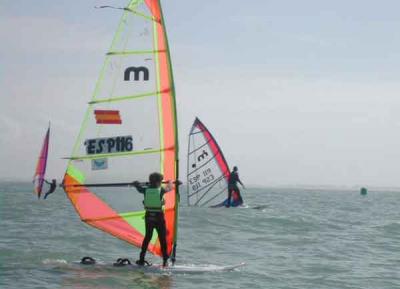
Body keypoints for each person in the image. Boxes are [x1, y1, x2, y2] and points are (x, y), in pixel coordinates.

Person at [132, 173, 173, 267]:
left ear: (150, 181)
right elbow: (169, 188)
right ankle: (165, 261)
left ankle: (141, 259)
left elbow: (139, 188)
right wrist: (171, 182)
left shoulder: (145, 190)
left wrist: (136, 184)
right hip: (159, 218)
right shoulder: (161, 190)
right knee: (162, 239)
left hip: (149, 217)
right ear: (159, 182)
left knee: (147, 238)